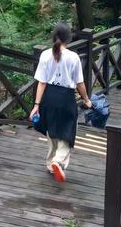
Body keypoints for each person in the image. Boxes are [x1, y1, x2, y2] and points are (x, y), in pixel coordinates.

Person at [29, 23, 92, 183]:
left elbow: (41, 82)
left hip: (48, 97)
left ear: (54, 36)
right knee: (68, 130)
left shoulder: (44, 55)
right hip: (65, 98)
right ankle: (58, 160)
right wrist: (86, 99)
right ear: (68, 38)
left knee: (52, 130)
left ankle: (51, 164)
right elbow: (80, 83)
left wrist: (36, 105)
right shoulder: (73, 57)